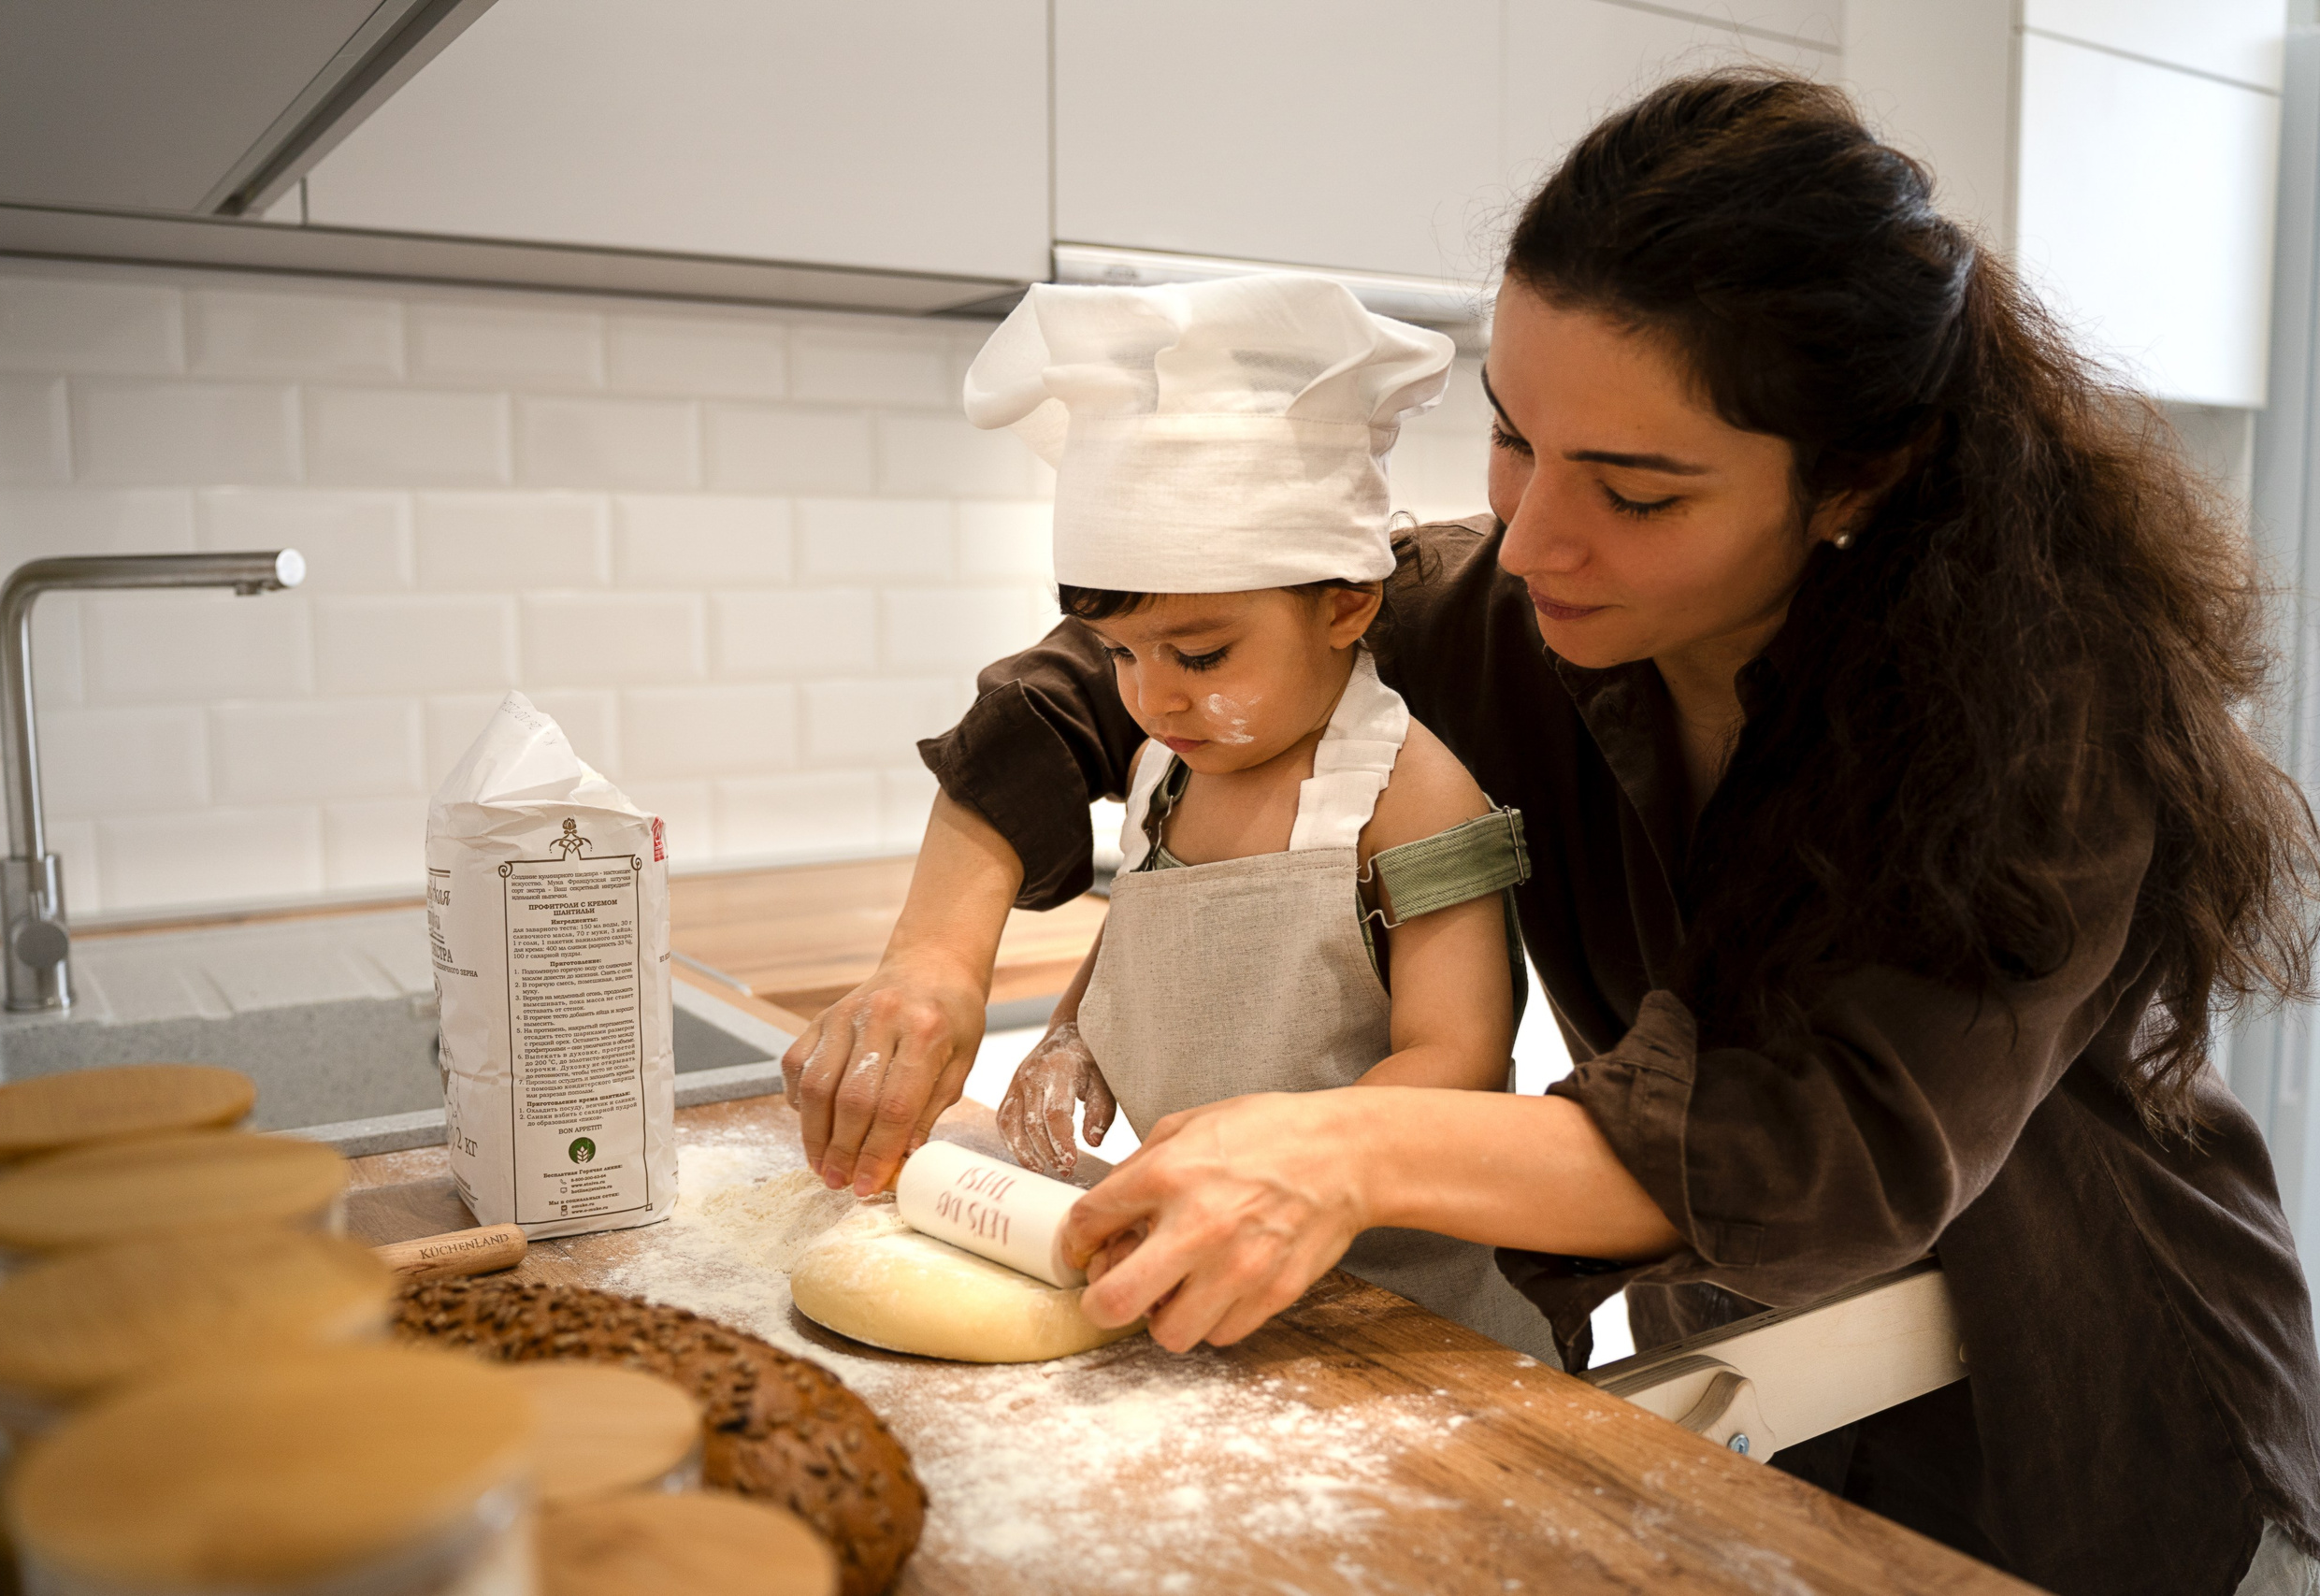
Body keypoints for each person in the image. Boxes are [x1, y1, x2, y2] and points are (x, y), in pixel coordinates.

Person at [782, 73, 2320, 1595]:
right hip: (1753, 1388)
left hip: (2086, 1411)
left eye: (1637, 493)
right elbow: (1125, 665)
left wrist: (1343, 1147)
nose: (1528, 537)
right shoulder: (1521, 614)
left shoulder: (2040, 718)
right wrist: (932, 958)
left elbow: (1819, 1145)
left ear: (1862, 473)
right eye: (1516, 437)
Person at [963, 274, 1551, 1358]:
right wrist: (1070, 1036)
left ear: (1347, 604)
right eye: (1120, 658)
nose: (1153, 698)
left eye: (1198, 655)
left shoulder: (1408, 788)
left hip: (1402, 1307)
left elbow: (1457, 1051)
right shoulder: (1167, 766)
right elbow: (1144, 926)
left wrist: (1290, 1154)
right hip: (1209, 1267)